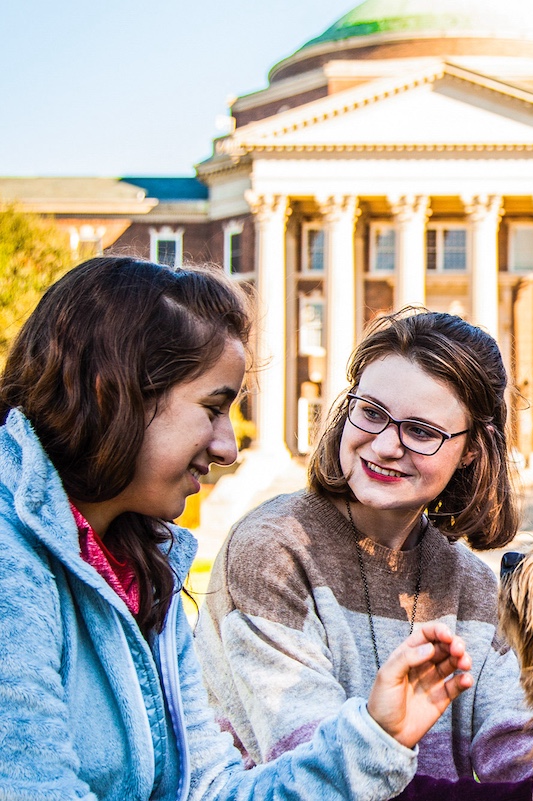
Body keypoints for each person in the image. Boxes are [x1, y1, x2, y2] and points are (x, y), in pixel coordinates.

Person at [0, 256, 474, 801]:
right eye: (212, 408)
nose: (228, 446)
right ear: (116, 393)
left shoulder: (144, 572)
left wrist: (377, 736)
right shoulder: (13, 559)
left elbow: (207, 791)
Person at [195, 308, 533, 787]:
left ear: (474, 449)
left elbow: (522, 761)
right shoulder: (272, 549)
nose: (384, 446)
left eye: (421, 430)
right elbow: (317, 770)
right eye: (371, 413)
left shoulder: (474, 585)